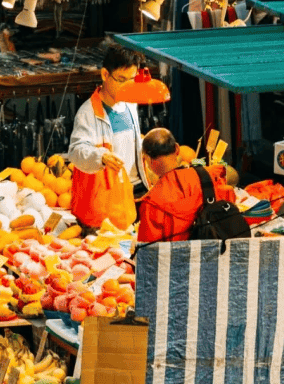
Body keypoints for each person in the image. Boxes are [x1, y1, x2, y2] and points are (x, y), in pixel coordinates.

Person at [67, 44, 149, 232]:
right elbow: (76, 151)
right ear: (105, 74)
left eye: (131, 80)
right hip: (100, 210)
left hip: (129, 199)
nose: (127, 86)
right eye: (121, 79)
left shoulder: (130, 105)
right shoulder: (87, 113)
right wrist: (100, 156)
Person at [136, 127, 240, 245]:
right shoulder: (211, 176)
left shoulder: (151, 202)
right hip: (217, 255)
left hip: (177, 261)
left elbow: (148, 252)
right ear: (177, 149)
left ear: (148, 160)